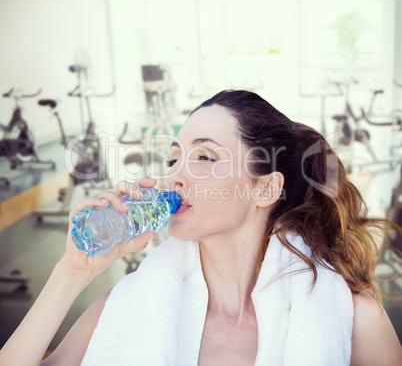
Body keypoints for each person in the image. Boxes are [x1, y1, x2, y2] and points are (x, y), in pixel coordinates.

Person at [0, 89, 401, 365]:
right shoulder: (126, 306)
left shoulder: (355, 319)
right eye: (174, 158)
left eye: (205, 157)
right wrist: (72, 272)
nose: (175, 175)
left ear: (264, 187)